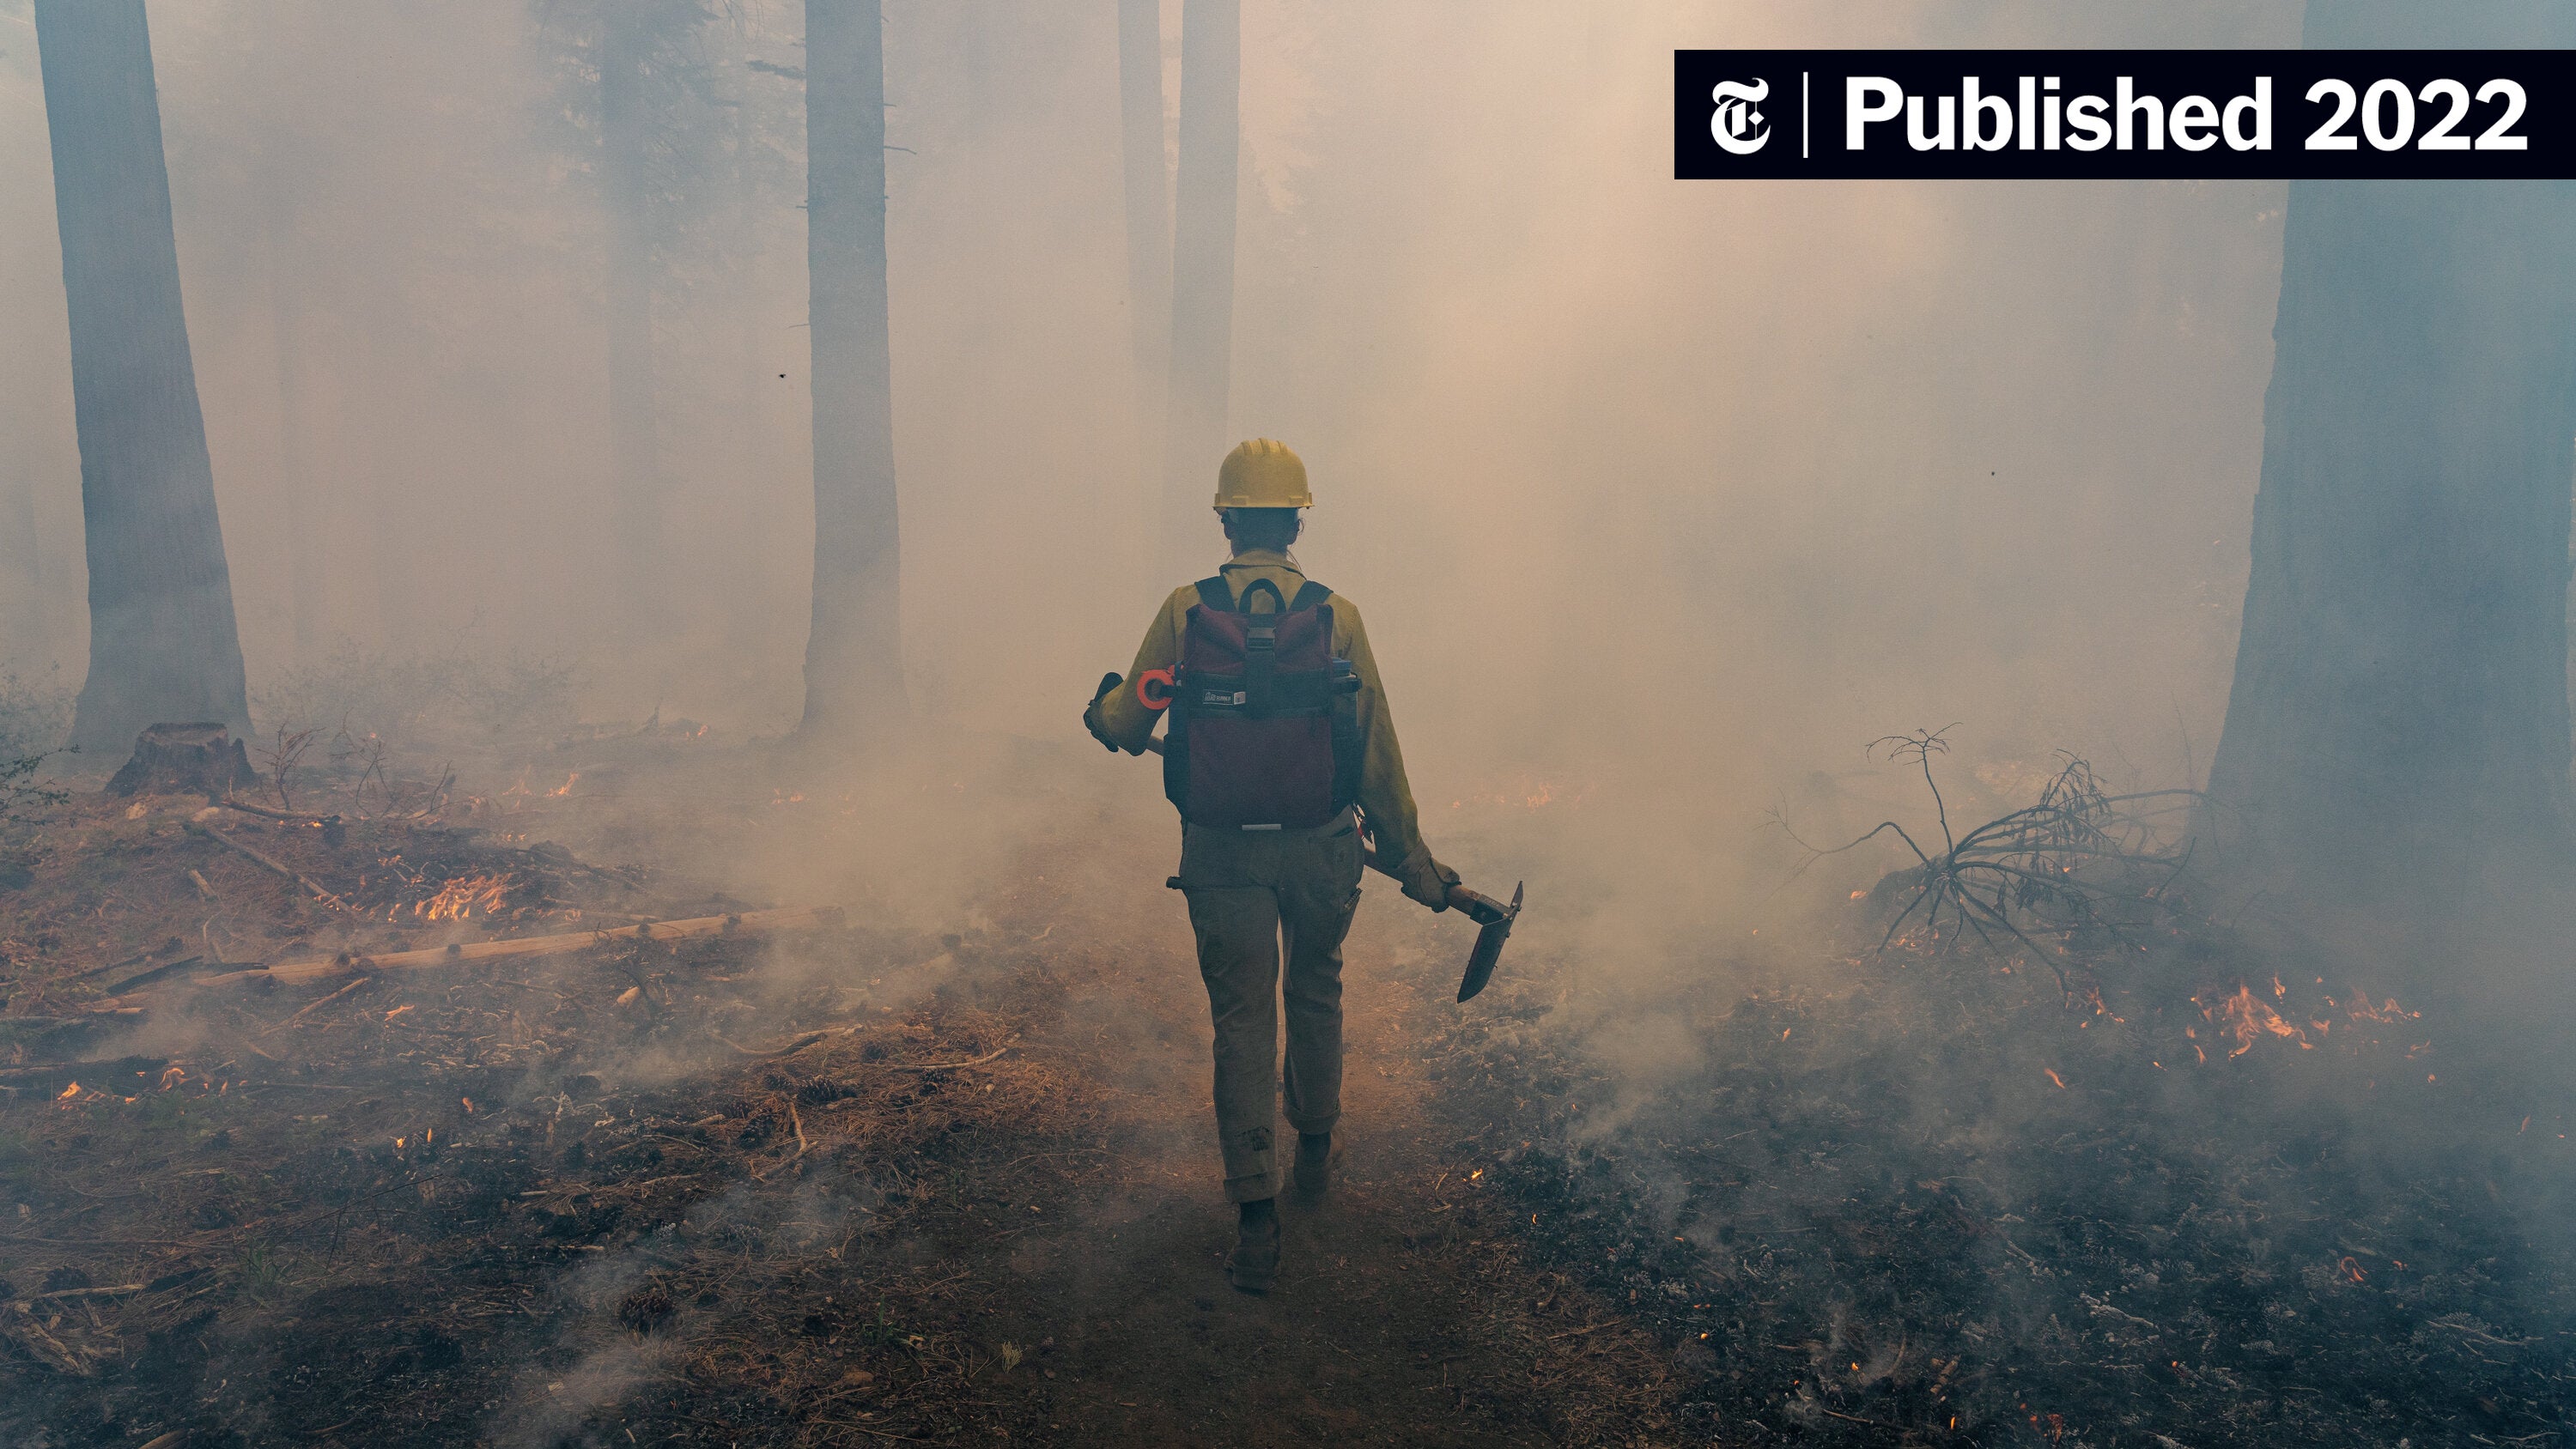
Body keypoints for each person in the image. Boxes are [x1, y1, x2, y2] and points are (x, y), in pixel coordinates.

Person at [1084, 438, 1458, 1294]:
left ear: (1224, 519)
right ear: (1295, 521)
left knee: (1243, 1017)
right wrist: (1412, 858)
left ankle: (1257, 1219)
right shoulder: (1340, 617)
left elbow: (1124, 724)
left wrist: (1106, 703)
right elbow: (1374, 751)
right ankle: (1315, 1155)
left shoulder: (1187, 611)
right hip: (1324, 846)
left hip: (1220, 852)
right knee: (1316, 988)